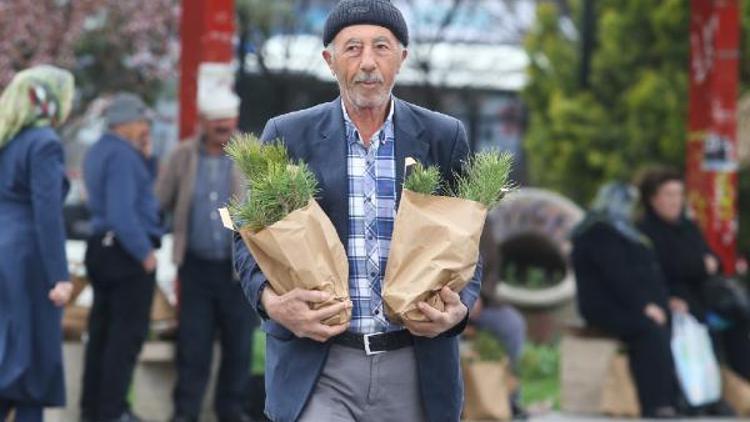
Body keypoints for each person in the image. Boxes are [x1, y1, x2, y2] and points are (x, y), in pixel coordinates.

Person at [233, 1, 482, 421]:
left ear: (401, 58)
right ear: (330, 61)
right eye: (352, 48)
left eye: (381, 47)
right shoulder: (287, 135)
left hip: (414, 365)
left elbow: (470, 242)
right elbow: (247, 242)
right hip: (321, 365)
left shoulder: (443, 136)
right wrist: (273, 303)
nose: (368, 62)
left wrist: (460, 308)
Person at [156, 89, 254, 422]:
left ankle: (231, 412)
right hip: (195, 269)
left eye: (228, 119)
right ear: (203, 121)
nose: (223, 126)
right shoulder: (182, 155)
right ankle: (185, 413)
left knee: (238, 348)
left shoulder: (251, 155)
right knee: (192, 346)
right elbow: (160, 201)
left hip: (240, 270)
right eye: (216, 120)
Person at [80, 93, 163, 422]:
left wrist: (146, 156)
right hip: (126, 253)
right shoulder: (122, 157)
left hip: (101, 247)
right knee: (124, 339)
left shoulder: (100, 149)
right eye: (142, 122)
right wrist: (145, 254)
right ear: (126, 122)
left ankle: (94, 410)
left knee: (100, 335)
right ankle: (113, 411)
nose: (145, 128)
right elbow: (122, 212)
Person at [0, 65, 75, 422]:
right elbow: (47, 214)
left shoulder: (6, 138)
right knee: (33, 364)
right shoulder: (44, 143)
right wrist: (59, 276)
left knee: (5, 355)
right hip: (29, 258)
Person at [571, 182, 678, 418]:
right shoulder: (598, 231)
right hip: (607, 306)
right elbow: (617, 275)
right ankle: (656, 403)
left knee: (661, 326)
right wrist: (645, 306)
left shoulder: (623, 230)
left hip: (631, 304)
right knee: (649, 331)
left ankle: (674, 398)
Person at [638, 167, 750, 382]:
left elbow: (713, 262)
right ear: (653, 199)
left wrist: (699, 265)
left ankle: (741, 385)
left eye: (679, 194)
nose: (675, 201)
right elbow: (664, 269)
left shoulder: (688, 227)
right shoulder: (646, 232)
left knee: (739, 318)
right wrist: (699, 266)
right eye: (669, 195)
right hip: (673, 298)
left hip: (704, 297)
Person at [469, 220, 528, 418]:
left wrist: (481, 297)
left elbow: (493, 268)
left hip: (480, 304)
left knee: (512, 324)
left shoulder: (485, 221)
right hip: (442, 304)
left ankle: (511, 399)